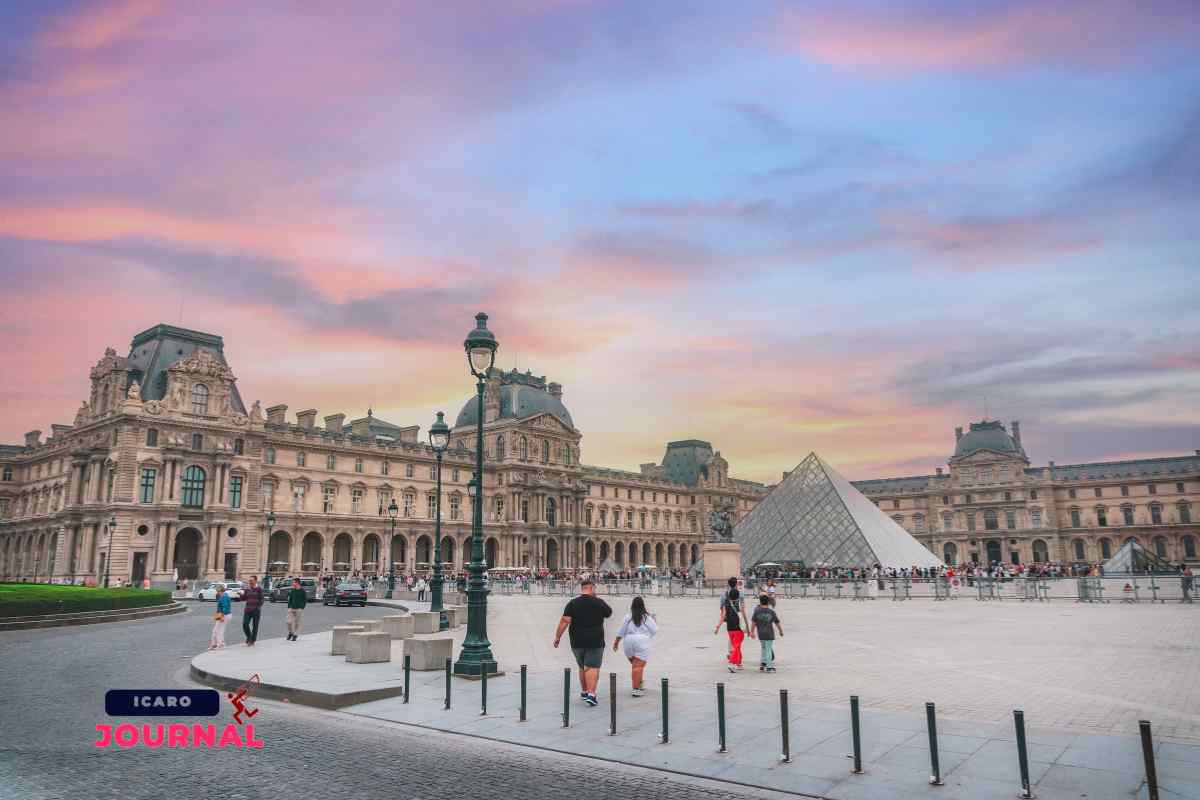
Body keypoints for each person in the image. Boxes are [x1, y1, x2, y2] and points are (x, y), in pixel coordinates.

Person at [553, 578, 612, 707]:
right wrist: (597, 599)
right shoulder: (598, 602)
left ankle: (585, 691)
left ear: (582, 588)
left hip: (576, 641)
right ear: (592, 588)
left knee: (582, 667)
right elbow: (608, 613)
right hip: (595, 641)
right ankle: (591, 694)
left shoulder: (572, 603)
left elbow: (565, 621)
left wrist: (557, 637)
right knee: (591, 667)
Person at [612, 596, 657, 697]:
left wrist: (616, 642)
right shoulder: (647, 617)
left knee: (635, 665)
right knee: (638, 666)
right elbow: (654, 630)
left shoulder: (628, 617)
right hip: (641, 641)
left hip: (628, 641)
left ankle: (639, 683)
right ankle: (636, 689)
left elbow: (621, 630)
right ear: (643, 605)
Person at [714, 584, 749, 673]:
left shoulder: (726, 604)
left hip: (729, 629)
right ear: (738, 596)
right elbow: (744, 617)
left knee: (736, 646)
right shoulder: (740, 606)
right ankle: (733, 664)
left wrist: (718, 626)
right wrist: (747, 628)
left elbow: (723, 616)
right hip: (738, 629)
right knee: (737, 647)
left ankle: (739, 663)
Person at [749, 594, 783, 672]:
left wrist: (752, 632)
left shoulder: (757, 611)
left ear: (760, 602)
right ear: (768, 602)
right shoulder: (771, 612)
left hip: (761, 633)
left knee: (764, 648)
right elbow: (777, 622)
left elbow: (753, 622)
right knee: (768, 649)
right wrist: (780, 631)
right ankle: (769, 666)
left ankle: (763, 663)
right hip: (769, 633)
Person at [241, 575, 264, 646]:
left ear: (255, 581)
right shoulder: (247, 589)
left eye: (251, 580)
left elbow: (262, 599)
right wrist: (240, 595)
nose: (250, 582)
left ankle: (252, 640)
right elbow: (244, 598)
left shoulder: (259, 589)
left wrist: (258, 607)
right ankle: (249, 636)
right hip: (247, 609)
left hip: (256, 610)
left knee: (255, 626)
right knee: (245, 624)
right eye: (249, 580)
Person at [209, 584, 230, 649]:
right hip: (222, 614)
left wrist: (222, 616)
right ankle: (216, 644)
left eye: (217, 590)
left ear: (220, 590)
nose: (216, 592)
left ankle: (219, 644)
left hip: (223, 615)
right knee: (217, 630)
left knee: (218, 630)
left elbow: (225, 607)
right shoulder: (223, 596)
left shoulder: (224, 597)